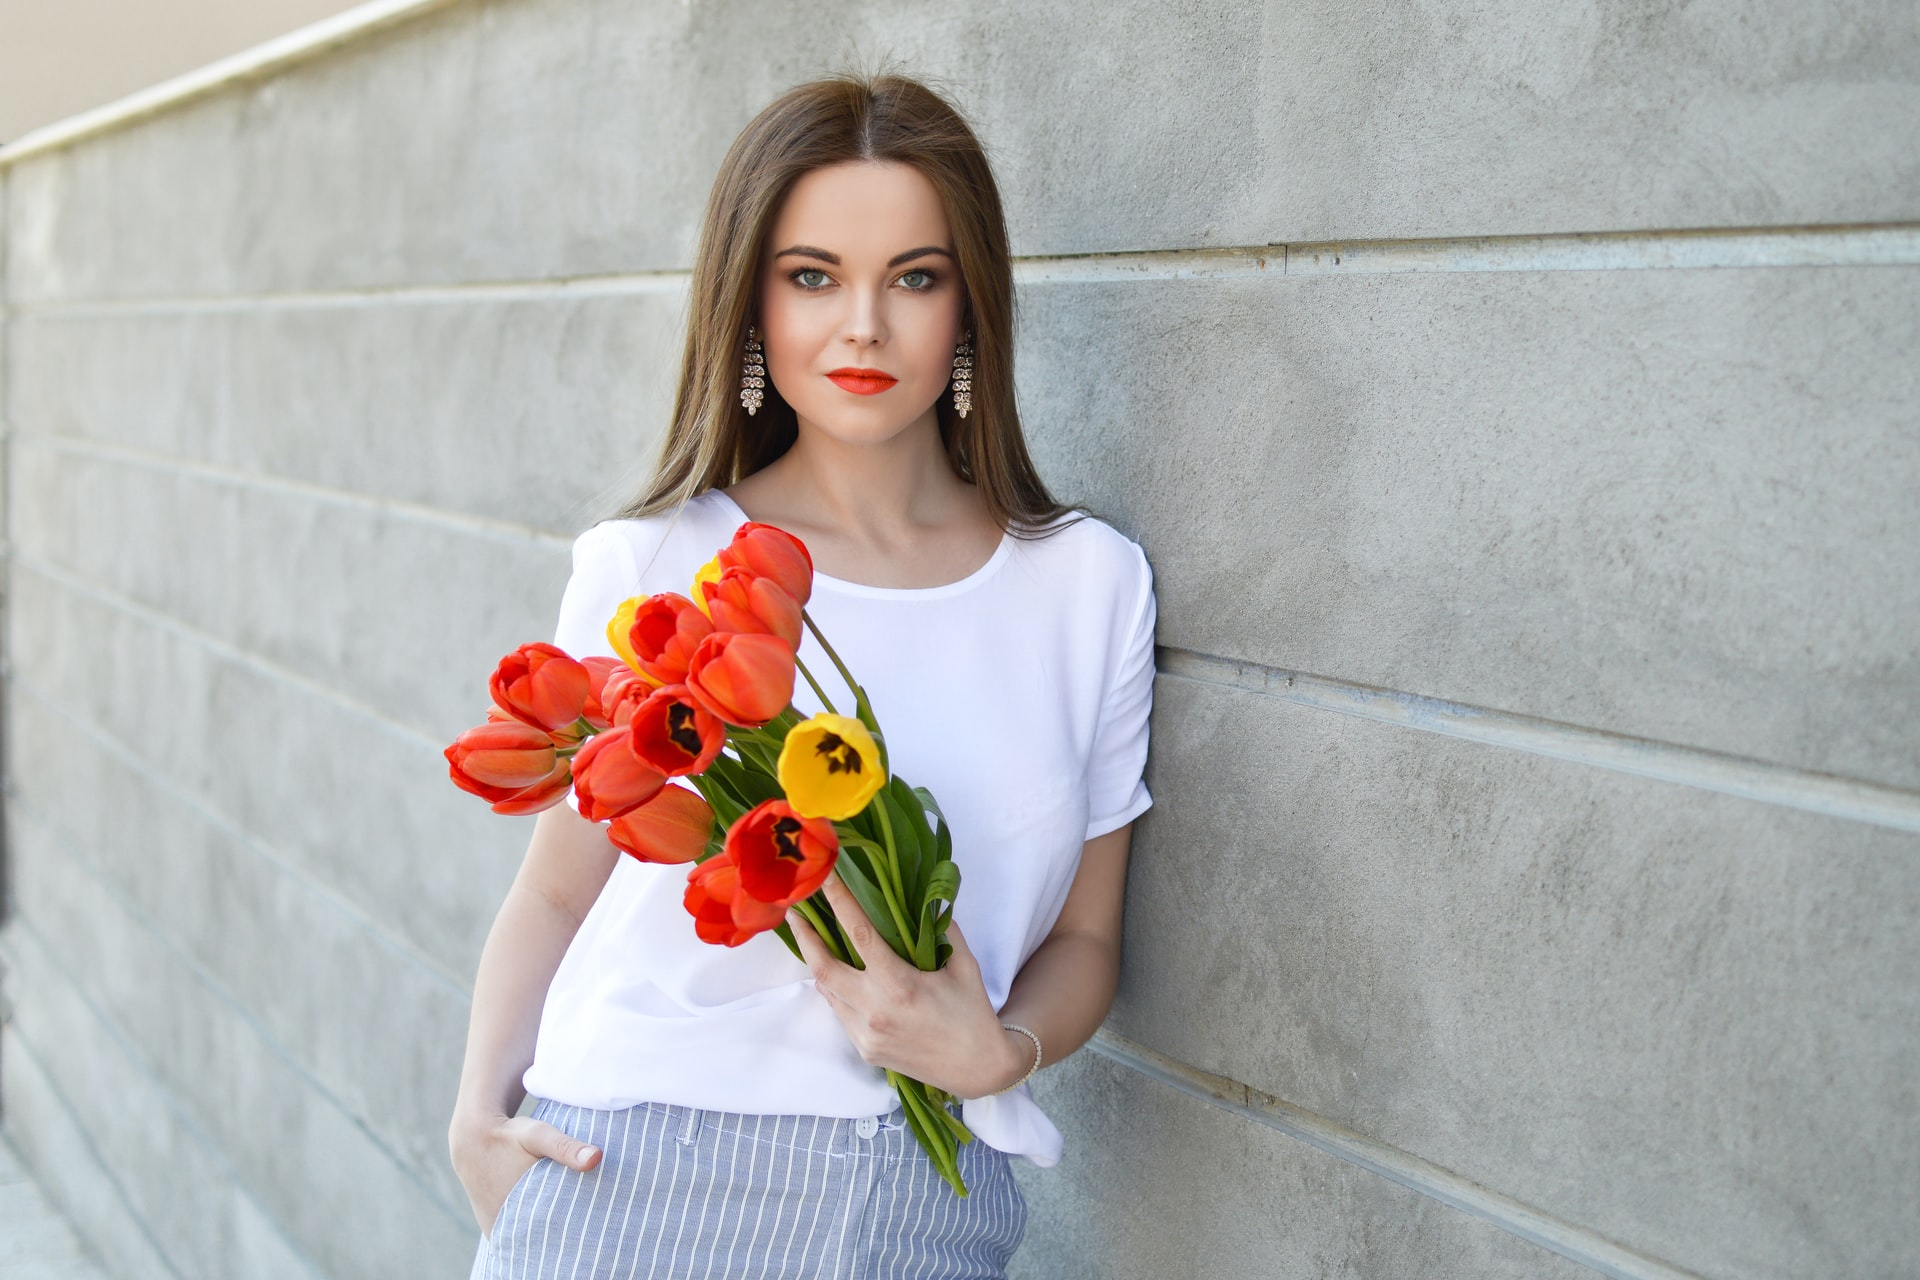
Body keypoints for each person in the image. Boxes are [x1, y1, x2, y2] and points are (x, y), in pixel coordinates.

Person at [449, 70, 1157, 1280]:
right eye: (814, 275)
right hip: (624, 1180)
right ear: (752, 304)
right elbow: (560, 891)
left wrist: (1001, 1051)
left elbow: (1089, 932)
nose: (864, 325)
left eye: (916, 277)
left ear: (973, 303)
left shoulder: (1089, 584)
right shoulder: (657, 562)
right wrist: (476, 1118)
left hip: (924, 1200)